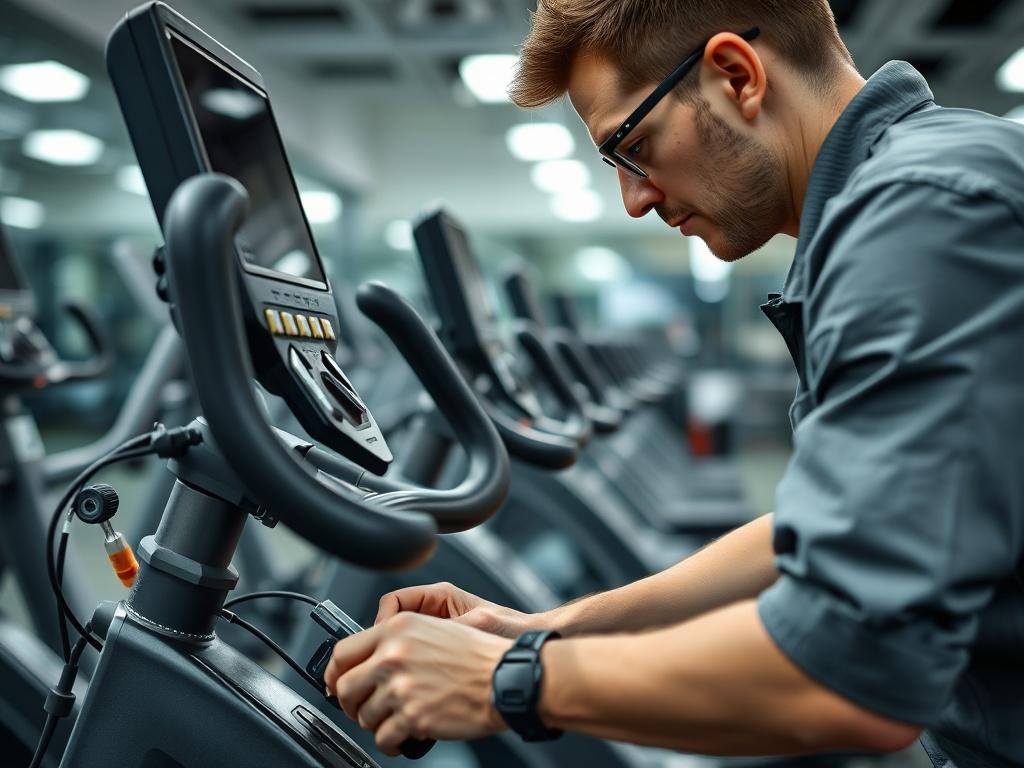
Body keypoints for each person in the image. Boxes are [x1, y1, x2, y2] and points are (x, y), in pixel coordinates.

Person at [323, 1, 1024, 765]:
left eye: (633, 145)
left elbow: (856, 665)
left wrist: (508, 679)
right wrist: (543, 628)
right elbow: (821, 528)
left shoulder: (920, 217)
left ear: (735, 75)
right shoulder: (902, 199)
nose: (636, 199)